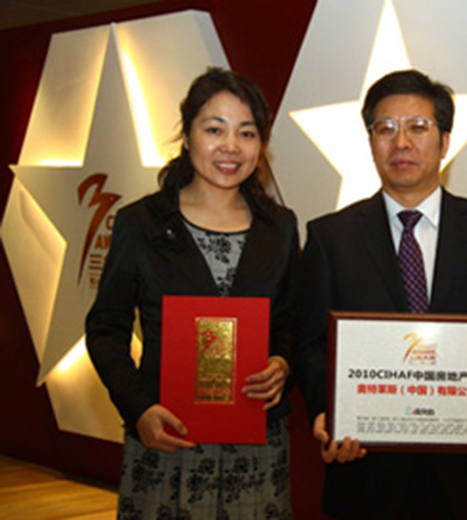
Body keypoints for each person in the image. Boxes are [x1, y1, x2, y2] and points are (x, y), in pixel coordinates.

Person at [296, 69, 467, 520]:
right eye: (386, 129)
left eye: (417, 127)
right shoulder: (330, 238)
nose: (401, 143)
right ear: (371, 141)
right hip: (366, 473)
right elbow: (313, 345)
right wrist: (326, 411)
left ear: (445, 141)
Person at [86, 67, 298, 520]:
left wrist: (282, 362)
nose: (231, 146)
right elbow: (106, 328)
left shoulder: (280, 228)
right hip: (166, 435)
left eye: (247, 133)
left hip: (255, 441)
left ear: (261, 144)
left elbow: (290, 319)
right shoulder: (141, 223)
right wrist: (138, 408)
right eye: (214, 129)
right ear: (187, 136)